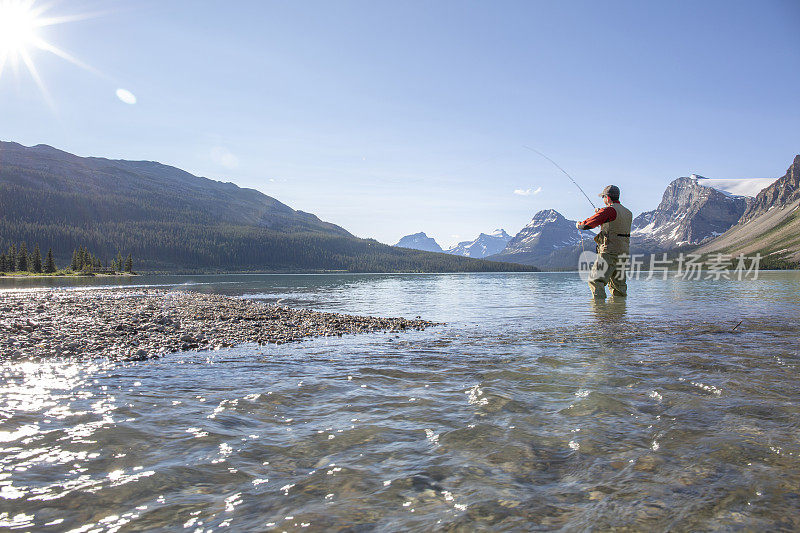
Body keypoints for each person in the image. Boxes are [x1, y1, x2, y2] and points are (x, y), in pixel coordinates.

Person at [575, 185, 632, 298]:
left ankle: (600, 312)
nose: (603, 200)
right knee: (618, 285)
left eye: (603, 197)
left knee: (595, 281)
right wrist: (601, 212)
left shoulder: (609, 211)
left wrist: (579, 225)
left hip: (609, 252)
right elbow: (615, 222)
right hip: (623, 253)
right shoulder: (628, 212)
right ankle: (619, 312)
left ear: (608, 197)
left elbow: (588, 224)